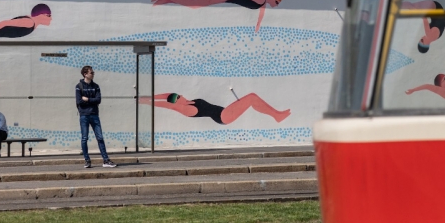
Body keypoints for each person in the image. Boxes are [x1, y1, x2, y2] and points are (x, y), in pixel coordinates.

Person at [151, 0, 284, 32]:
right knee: (195, 4)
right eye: (277, 3)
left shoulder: (264, 2)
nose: (276, 6)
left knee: (195, 4)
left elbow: (262, 12)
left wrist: (258, 25)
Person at [141, 92, 291, 125]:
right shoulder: (184, 109)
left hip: (224, 113)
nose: (181, 96)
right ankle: (276, 115)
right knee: (251, 98)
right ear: (176, 103)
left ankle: (276, 115)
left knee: (251, 98)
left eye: (179, 95)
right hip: (223, 117)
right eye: (178, 97)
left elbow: (167, 95)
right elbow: (165, 104)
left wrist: (150, 95)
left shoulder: (188, 102)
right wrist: (146, 102)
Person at [76, 66, 116, 169]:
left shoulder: (96, 86)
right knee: (84, 138)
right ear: (85, 74)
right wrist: (89, 101)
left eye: (93, 72)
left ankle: (106, 160)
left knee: (100, 137)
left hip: (94, 114)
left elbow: (98, 100)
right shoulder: (79, 86)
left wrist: (87, 99)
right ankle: (87, 160)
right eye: (91, 72)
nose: (93, 74)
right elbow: (79, 101)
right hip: (84, 115)